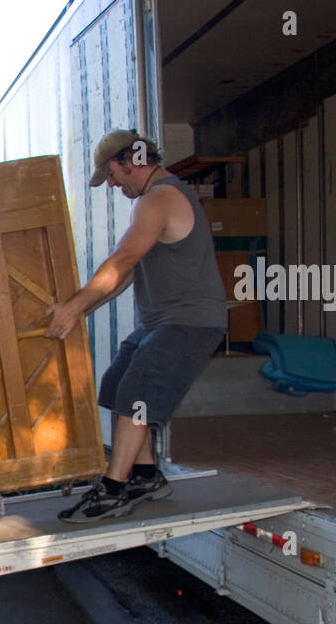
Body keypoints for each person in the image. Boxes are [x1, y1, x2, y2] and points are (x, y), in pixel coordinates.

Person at [46, 129, 227, 523]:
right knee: (115, 386)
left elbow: (124, 259)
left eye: (111, 174)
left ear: (129, 160)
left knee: (135, 395)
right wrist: (81, 308)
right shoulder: (151, 201)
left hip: (190, 321)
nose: (111, 184)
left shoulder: (160, 198)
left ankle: (111, 490)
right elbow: (129, 273)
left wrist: (75, 305)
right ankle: (144, 476)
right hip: (163, 322)